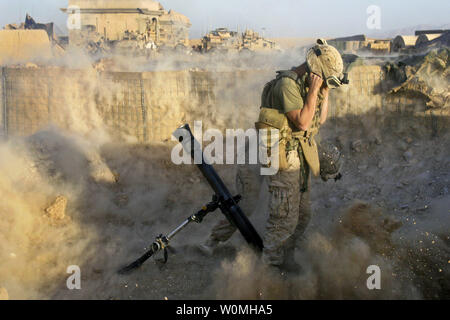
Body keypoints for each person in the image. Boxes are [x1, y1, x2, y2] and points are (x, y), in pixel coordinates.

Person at [199, 40, 348, 273]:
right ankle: (266, 269)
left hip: (290, 154)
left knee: (302, 215)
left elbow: (319, 121)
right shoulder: (287, 85)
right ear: (314, 71)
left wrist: (325, 90)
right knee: (260, 210)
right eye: (323, 79)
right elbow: (303, 121)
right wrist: (315, 89)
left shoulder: (310, 86)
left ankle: (285, 255)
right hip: (268, 154)